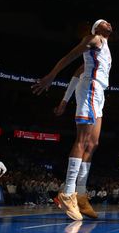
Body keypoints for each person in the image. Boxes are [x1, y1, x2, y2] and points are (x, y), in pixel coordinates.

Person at [33, 19, 114, 220]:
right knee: (82, 141)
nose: (108, 23)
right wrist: (51, 76)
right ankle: (67, 193)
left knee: (93, 143)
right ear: (97, 28)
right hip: (89, 89)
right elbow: (69, 57)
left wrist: (64, 100)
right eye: (103, 22)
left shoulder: (105, 47)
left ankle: (81, 194)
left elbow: (77, 73)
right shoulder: (93, 39)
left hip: (98, 92)